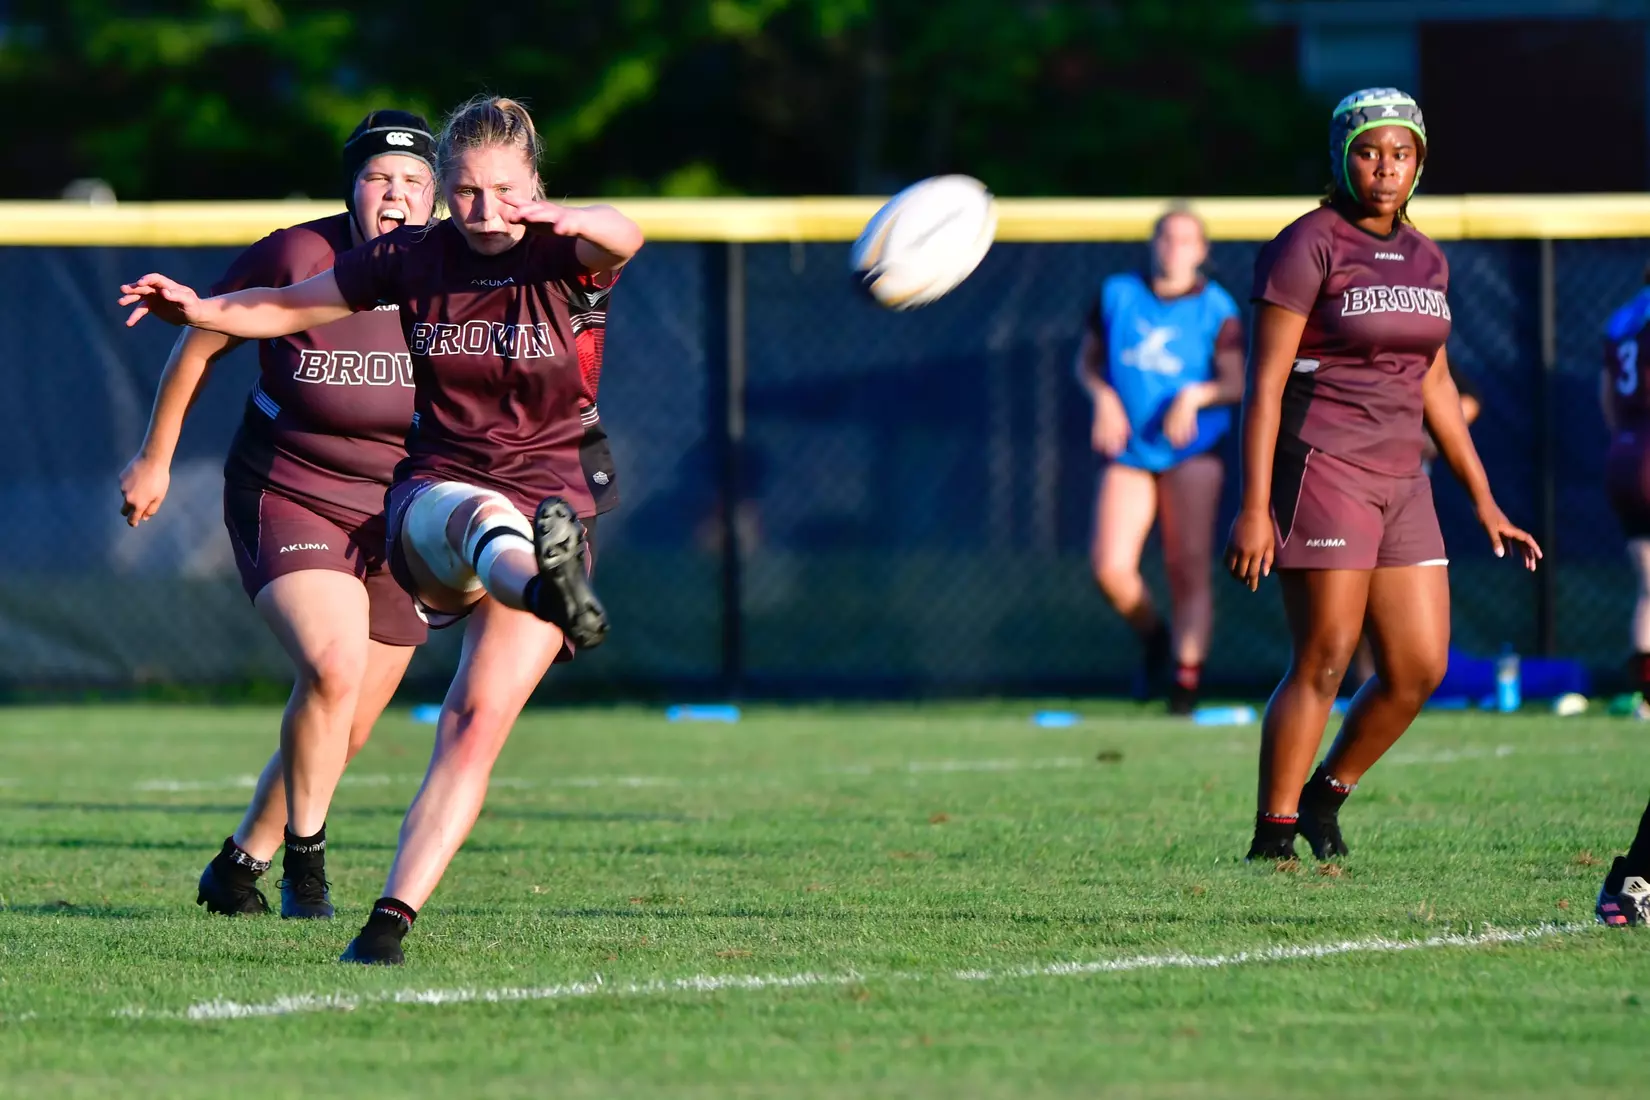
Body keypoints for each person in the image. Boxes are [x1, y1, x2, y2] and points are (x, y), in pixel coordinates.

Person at [119, 95, 642, 965]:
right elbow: (281, 310)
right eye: (466, 191)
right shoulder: (411, 257)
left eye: (502, 192)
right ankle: (544, 586)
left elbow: (623, 235)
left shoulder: (566, 254)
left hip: (555, 496)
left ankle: (385, 924)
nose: (483, 211)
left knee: (465, 723)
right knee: (469, 529)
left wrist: (564, 216)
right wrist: (198, 310)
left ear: (536, 189)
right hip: (427, 495)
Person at [118, 111, 439, 919]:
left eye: (413, 184)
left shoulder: (457, 276)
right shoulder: (301, 254)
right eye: (378, 178)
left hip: (399, 512)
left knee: (348, 723)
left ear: (436, 201)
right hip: (290, 486)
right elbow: (203, 339)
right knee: (331, 668)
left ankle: (237, 867)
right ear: (351, 189)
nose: (394, 195)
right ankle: (307, 868)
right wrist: (155, 458)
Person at [1223, 88, 1540, 863]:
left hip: (1405, 481)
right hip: (1325, 467)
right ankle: (1273, 839)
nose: (1385, 168)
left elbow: (1433, 380)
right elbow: (1264, 387)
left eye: (1402, 154)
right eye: (1369, 152)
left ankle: (1324, 796)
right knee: (1326, 655)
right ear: (1341, 157)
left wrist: (1485, 499)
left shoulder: (1427, 255)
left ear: (1420, 162)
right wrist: (1254, 507)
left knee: (1420, 667)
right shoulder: (1308, 244)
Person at [1076, 208, 1243, 714]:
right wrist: (1102, 396)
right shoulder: (1117, 294)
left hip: (1191, 450)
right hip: (1131, 449)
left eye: (1186, 240)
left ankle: (1186, 684)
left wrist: (1193, 397)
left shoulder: (1216, 307)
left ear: (1202, 251)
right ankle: (1155, 639)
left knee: (1186, 567)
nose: (1174, 248)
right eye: (1167, 238)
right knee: (1110, 569)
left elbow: (1235, 383)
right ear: (1153, 244)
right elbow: (1086, 362)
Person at [1345, 364, 1483, 692]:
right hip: (1348, 489)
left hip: (1406, 496)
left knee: (1406, 604)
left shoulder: (1417, 353)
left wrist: (1429, 435)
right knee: (1355, 595)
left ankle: (1394, 682)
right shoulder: (1346, 358)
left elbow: (1468, 399)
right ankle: (1366, 682)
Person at [1602, 271, 1650, 720]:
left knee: (1649, 586)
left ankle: (1645, 695)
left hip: (1626, 455)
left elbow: (1609, 399)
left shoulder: (1624, 316)